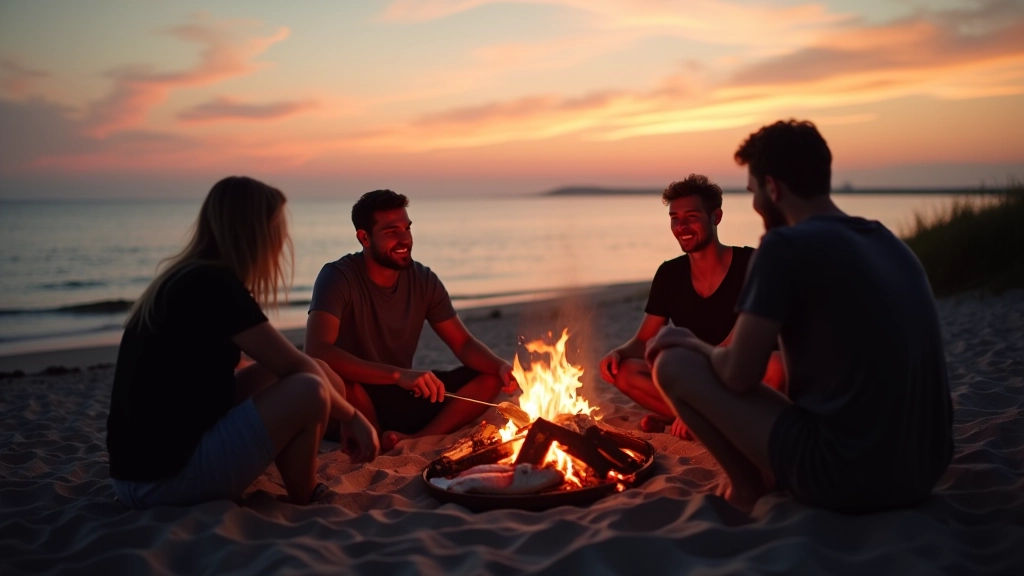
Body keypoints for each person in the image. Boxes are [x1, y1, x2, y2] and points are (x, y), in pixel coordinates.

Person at [645, 120, 953, 513]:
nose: (756, 205)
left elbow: (739, 374)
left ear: (773, 188)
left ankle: (746, 487)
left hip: (847, 475)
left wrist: (691, 344)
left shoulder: (784, 247)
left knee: (672, 362)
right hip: (924, 471)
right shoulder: (887, 241)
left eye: (755, 192)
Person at [106, 176, 379, 509]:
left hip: (138, 476)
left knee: (311, 372)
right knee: (308, 388)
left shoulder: (189, 277)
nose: (282, 241)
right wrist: (352, 416)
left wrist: (332, 394)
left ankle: (301, 476)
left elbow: (289, 363)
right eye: (278, 230)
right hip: (165, 481)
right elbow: (295, 367)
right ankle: (305, 494)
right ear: (257, 233)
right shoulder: (215, 286)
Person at [305, 189, 516, 452]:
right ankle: (375, 435)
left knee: (489, 378)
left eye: (407, 228)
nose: (405, 238)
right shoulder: (338, 277)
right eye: (392, 231)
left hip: (401, 392)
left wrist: (500, 366)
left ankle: (418, 438)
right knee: (346, 385)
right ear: (364, 237)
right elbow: (317, 351)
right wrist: (397, 374)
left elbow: (462, 344)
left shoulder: (424, 280)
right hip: (353, 398)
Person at [598, 174, 782, 438]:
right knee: (626, 372)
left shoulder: (752, 263)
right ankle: (706, 418)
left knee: (776, 365)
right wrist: (619, 353)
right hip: (701, 380)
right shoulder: (669, 274)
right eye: (675, 218)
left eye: (691, 217)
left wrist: (699, 388)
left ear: (715, 217)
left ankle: (693, 417)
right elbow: (643, 339)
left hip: (746, 374)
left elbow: (739, 341)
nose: (681, 226)